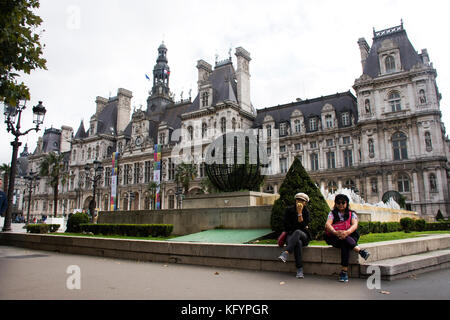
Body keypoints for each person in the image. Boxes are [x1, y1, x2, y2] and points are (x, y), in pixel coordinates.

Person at [324, 194, 370, 282]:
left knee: (344, 242)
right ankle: (360, 251)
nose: (340, 204)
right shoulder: (332, 213)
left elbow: (355, 225)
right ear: (335, 204)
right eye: (338, 202)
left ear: (347, 203)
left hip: (350, 236)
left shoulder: (352, 214)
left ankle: (344, 272)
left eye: (343, 202)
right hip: (335, 237)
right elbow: (327, 224)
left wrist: (346, 232)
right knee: (343, 240)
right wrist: (335, 232)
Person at [278, 192, 312, 278]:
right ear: (295, 201)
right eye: (298, 200)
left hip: (304, 236)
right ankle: (299, 270)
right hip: (291, 236)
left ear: (305, 203)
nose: (299, 202)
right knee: (298, 243)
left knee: (297, 232)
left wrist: (300, 214)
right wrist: (301, 225)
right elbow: (286, 225)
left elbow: (305, 227)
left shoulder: (306, 212)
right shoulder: (289, 210)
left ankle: (286, 252)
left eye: (302, 200)